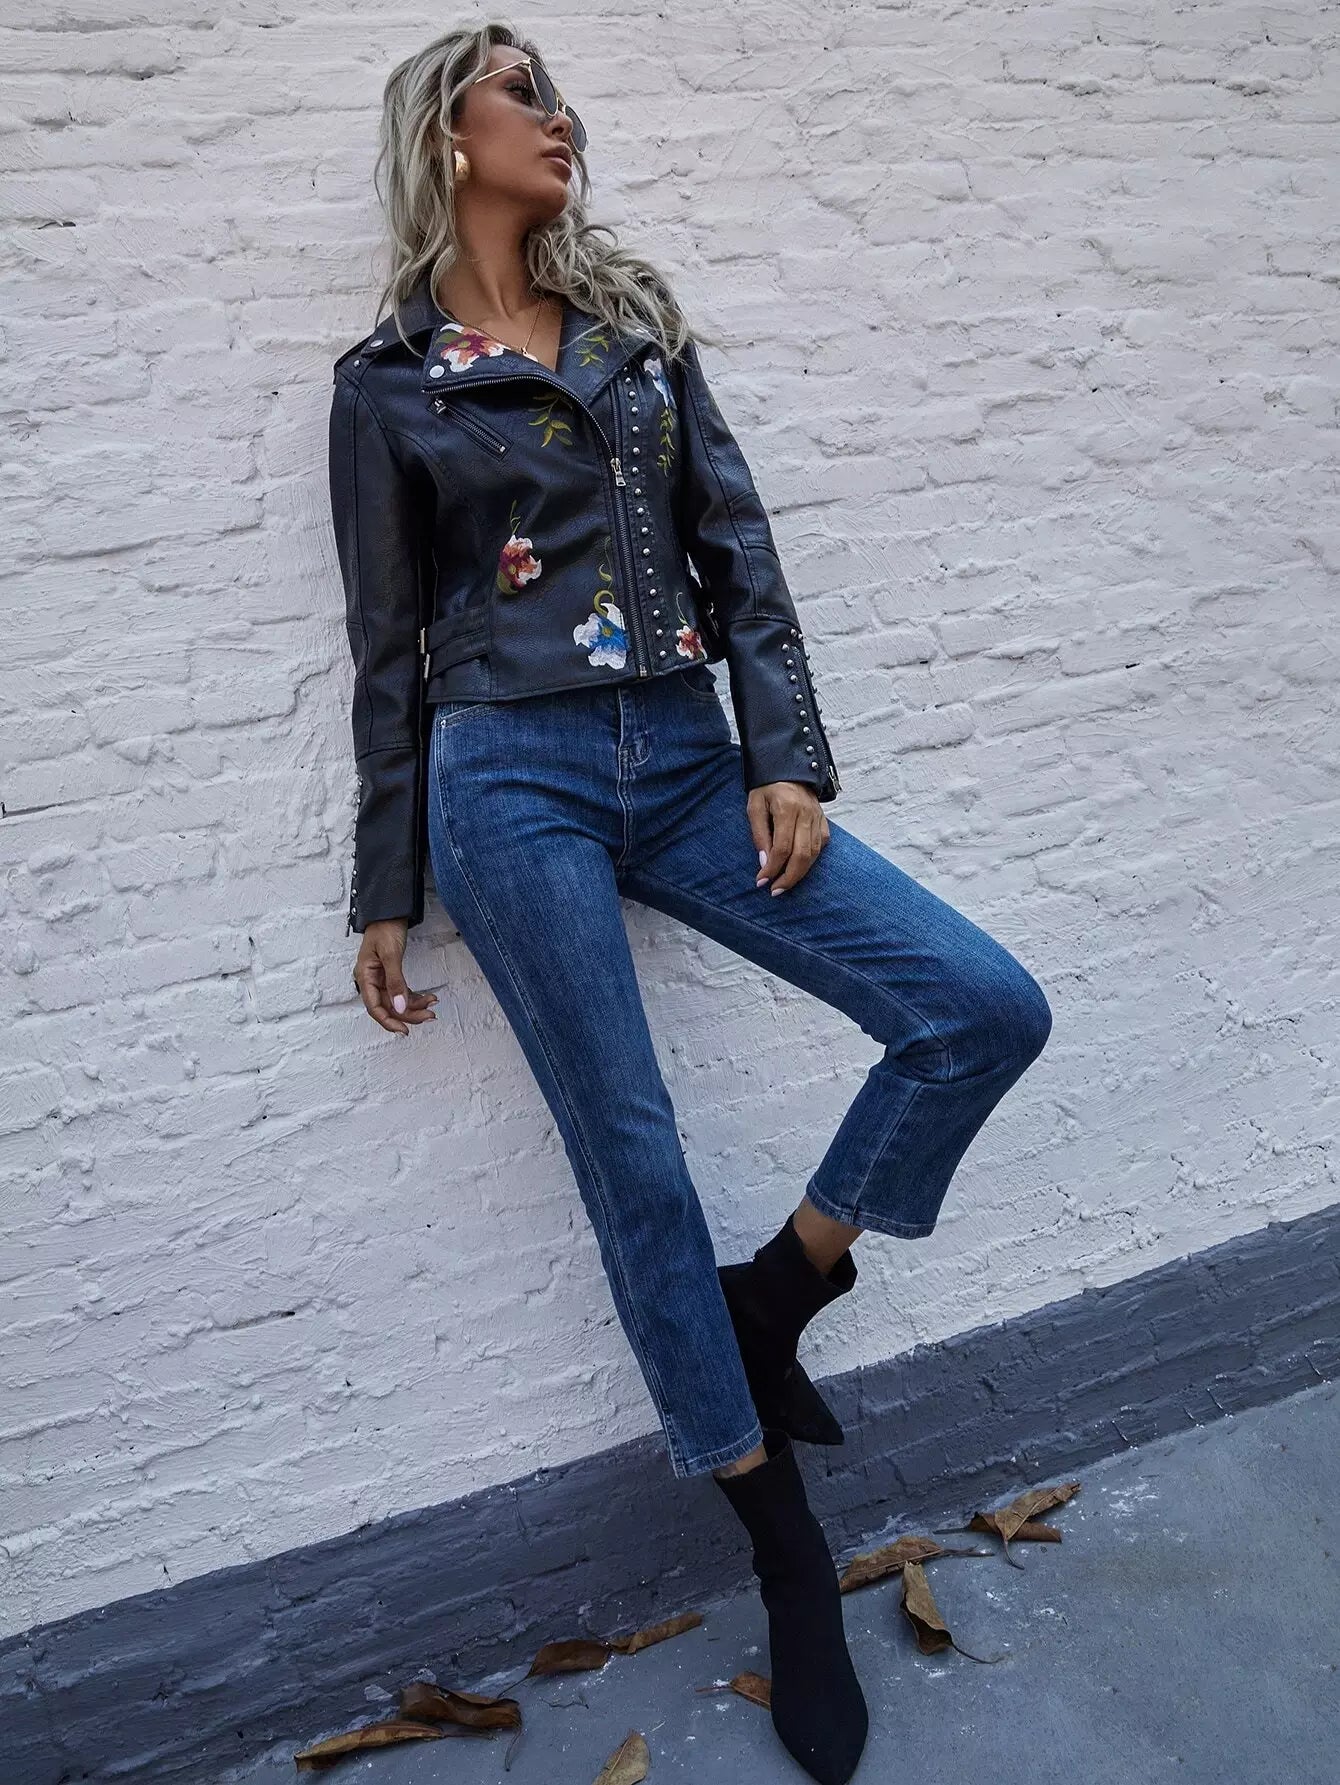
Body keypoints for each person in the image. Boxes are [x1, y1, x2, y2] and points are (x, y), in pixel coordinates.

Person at [327, 24, 1053, 1784]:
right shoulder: (389, 382)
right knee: (634, 1159)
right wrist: (386, 878)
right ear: (448, 138)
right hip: (506, 778)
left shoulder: (637, 328)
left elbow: (740, 545)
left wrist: (781, 751)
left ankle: (778, 1293)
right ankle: (788, 1557)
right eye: (524, 94)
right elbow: (386, 646)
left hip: (685, 757)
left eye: (562, 94)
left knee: (978, 1005)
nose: (561, 118)